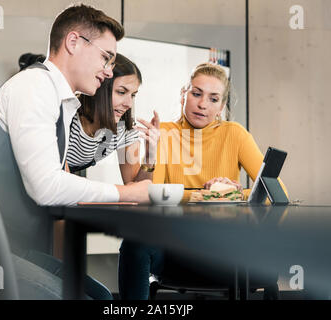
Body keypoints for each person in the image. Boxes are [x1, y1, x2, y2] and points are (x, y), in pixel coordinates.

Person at [0, 4, 150, 299]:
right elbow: (47, 187)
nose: (107, 72)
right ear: (73, 42)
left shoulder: (62, 100)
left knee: (103, 297)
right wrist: (127, 193)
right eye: (105, 58)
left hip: (11, 246)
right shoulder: (34, 86)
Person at [118, 62, 287, 300]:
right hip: (175, 253)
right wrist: (205, 195)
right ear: (183, 95)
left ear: (222, 106)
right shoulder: (163, 133)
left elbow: (276, 193)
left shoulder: (235, 134)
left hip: (229, 252)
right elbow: (150, 194)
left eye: (213, 99)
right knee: (134, 243)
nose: (202, 104)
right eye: (196, 94)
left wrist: (233, 193)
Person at [66, 53, 160, 180]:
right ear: (99, 86)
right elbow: (59, 182)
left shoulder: (124, 128)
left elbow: (138, 190)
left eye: (133, 95)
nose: (128, 104)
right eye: (121, 92)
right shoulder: (67, 114)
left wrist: (150, 157)